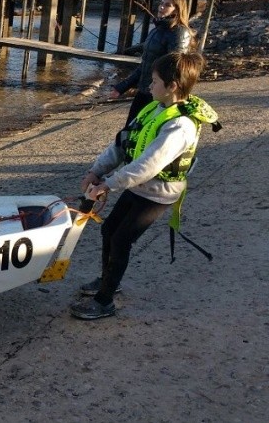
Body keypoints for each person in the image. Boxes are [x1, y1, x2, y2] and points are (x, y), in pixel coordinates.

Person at [71, 52, 219, 320]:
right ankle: (108, 281)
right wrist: (96, 172)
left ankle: (105, 301)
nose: (149, 86)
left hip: (158, 195)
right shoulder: (154, 108)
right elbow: (121, 144)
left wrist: (107, 185)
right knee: (109, 231)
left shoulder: (180, 125)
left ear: (172, 86)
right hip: (137, 187)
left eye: (154, 81)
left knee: (121, 239)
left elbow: (148, 166)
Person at [112, 0, 194, 126]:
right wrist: (122, 87)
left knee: (145, 133)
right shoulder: (156, 30)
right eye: (161, 3)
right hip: (145, 90)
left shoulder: (179, 32)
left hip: (160, 94)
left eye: (167, 5)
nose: (161, 7)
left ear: (178, 9)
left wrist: (167, 93)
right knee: (129, 132)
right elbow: (145, 65)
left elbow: (175, 67)